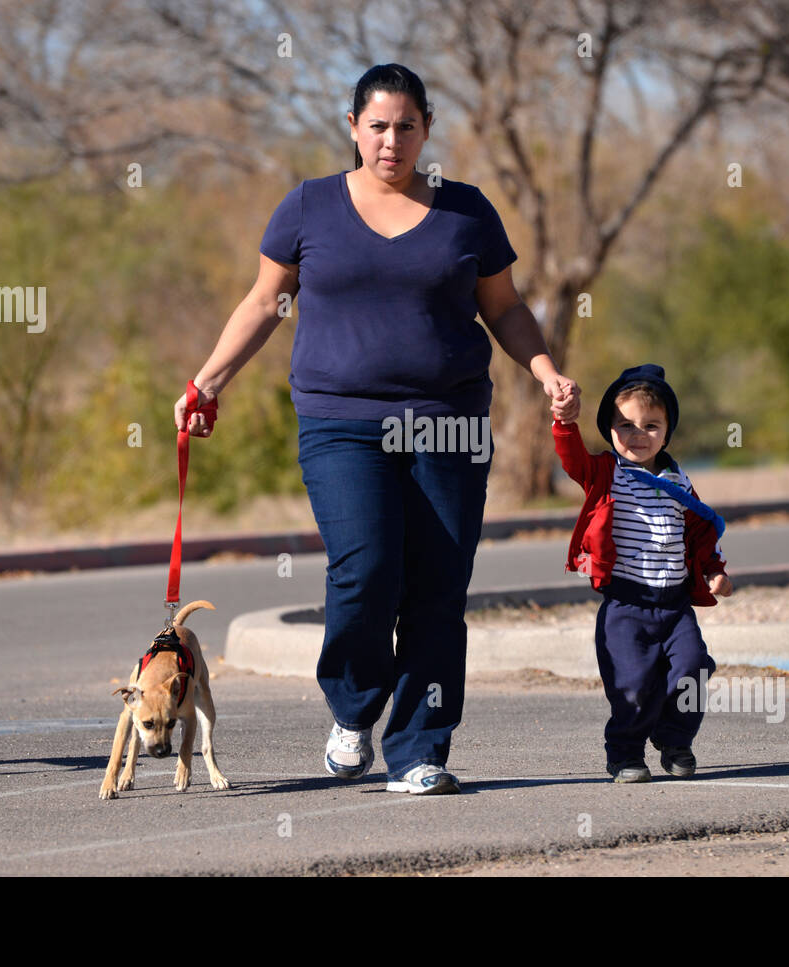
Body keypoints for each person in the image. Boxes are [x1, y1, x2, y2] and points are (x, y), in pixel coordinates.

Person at [175, 64, 580, 794]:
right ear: (353, 127)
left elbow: (507, 308)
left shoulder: (468, 213)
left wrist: (545, 370)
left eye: (406, 126)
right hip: (342, 418)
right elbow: (266, 302)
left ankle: (421, 747)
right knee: (365, 568)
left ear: (426, 129)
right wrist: (207, 381)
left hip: (449, 421)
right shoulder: (309, 208)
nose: (391, 140)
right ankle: (355, 705)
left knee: (437, 585)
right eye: (378, 125)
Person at [551, 364, 731, 782]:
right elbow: (571, 458)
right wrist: (563, 422)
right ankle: (626, 753)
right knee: (631, 685)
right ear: (609, 429)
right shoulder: (606, 472)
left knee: (693, 669)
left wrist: (715, 571)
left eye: (651, 426)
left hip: (674, 605)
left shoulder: (678, 481)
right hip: (626, 605)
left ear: (668, 431)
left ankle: (674, 739)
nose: (638, 435)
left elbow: (703, 530)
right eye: (625, 425)